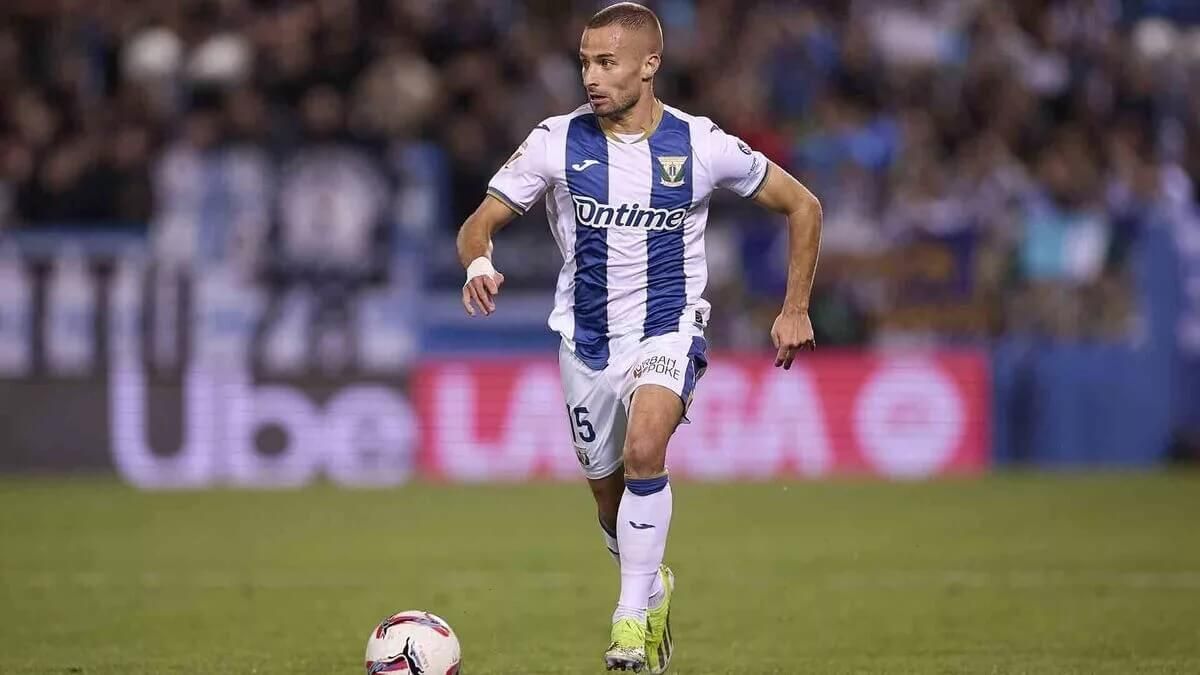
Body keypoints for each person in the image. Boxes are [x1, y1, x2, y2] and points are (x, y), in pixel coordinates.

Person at [455, 3, 821, 671]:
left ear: (649, 65)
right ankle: (652, 586)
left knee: (647, 445)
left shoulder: (701, 143)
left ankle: (629, 623)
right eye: (585, 62)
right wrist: (479, 259)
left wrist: (795, 306)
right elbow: (477, 223)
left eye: (607, 62)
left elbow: (804, 205)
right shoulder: (554, 141)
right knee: (608, 497)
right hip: (586, 339)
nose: (591, 77)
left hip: (668, 327)